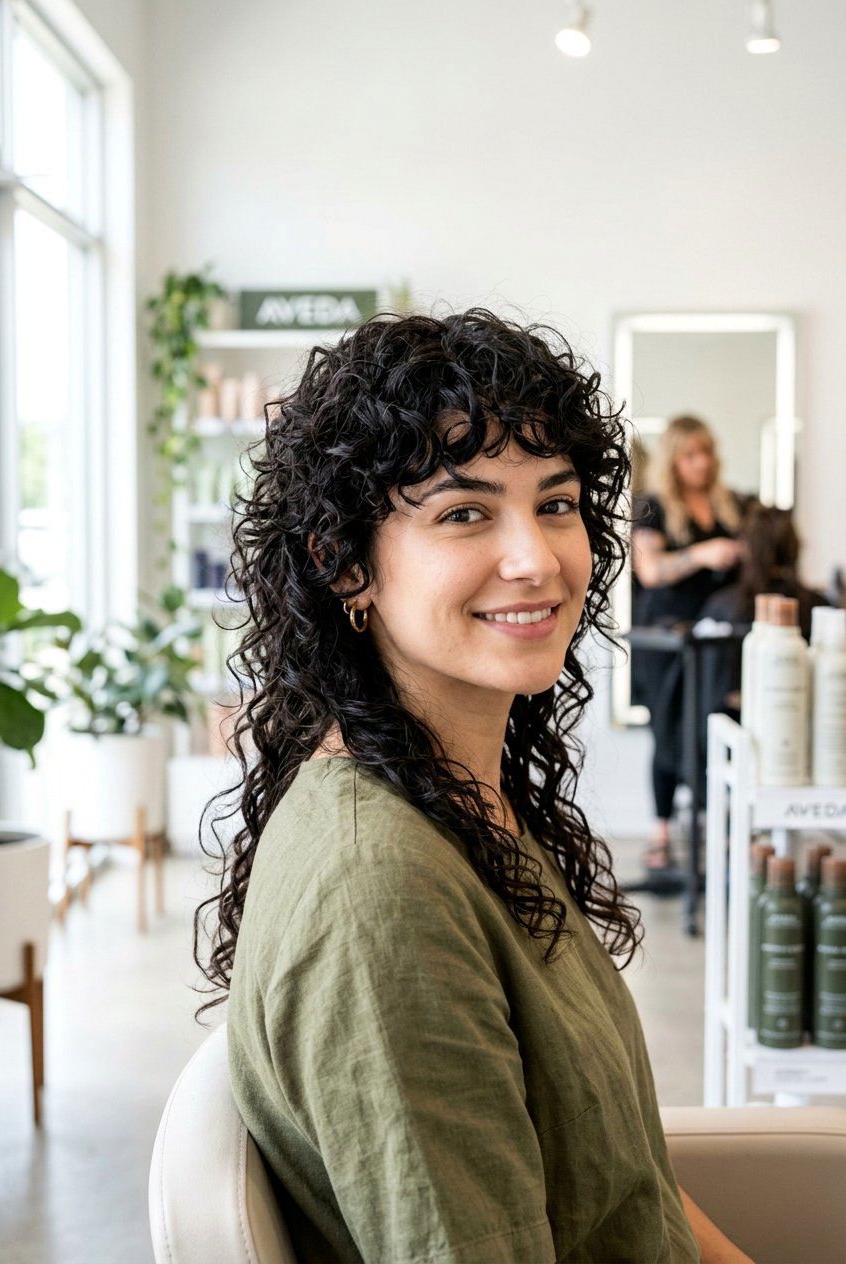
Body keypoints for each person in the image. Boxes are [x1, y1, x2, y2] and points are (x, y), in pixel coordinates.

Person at [196, 311, 753, 1263]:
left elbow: (629, 1187)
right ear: (343, 563)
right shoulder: (384, 895)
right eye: (464, 512)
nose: (537, 558)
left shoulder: (458, 796)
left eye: (557, 502)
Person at [631, 415, 745, 873]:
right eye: (692, 454)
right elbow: (651, 572)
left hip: (714, 640)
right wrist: (701, 554)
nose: (703, 462)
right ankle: (661, 831)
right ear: (674, 459)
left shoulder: (730, 505)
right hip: (665, 640)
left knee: (715, 725)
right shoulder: (652, 505)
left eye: (708, 452)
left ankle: (718, 822)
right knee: (668, 728)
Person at [698, 501, 829, 721]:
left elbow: (707, 693)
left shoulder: (722, 607)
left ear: (746, 547)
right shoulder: (819, 607)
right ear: (794, 546)